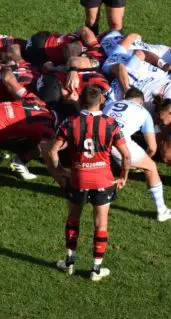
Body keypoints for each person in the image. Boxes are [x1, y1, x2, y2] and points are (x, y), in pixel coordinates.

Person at [42, 84, 130, 281]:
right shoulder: (111, 123)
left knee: (73, 218)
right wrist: (123, 176)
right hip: (104, 179)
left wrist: (59, 170)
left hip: (79, 178)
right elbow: (126, 156)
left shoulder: (70, 122)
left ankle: (69, 263)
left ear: (81, 101)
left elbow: (51, 150)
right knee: (101, 223)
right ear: (101, 101)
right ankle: (96, 270)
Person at [103, 88, 171, 221]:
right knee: (151, 167)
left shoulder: (110, 104)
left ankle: (94, 194)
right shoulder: (143, 112)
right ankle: (162, 211)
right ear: (141, 102)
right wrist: (144, 162)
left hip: (97, 140)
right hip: (119, 142)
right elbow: (152, 147)